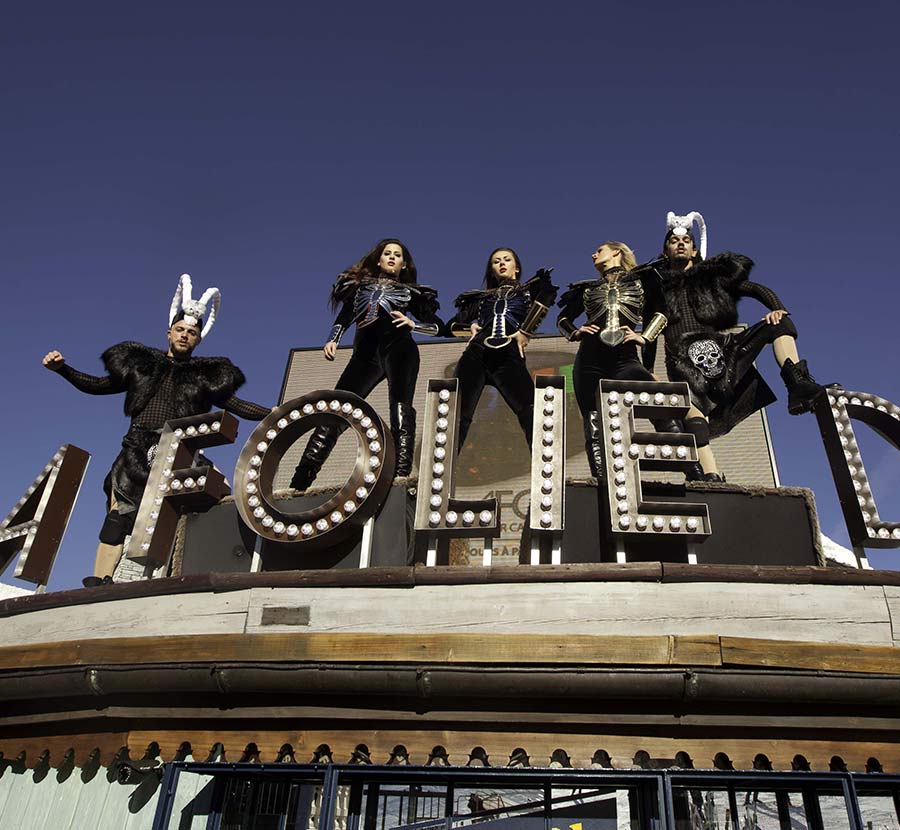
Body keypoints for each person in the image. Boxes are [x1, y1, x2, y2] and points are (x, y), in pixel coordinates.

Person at [43, 274, 270, 586]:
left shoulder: (204, 376)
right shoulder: (142, 366)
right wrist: (63, 369)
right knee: (118, 515)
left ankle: (164, 578)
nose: (185, 335)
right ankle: (99, 581)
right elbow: (98, 385)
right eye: (180, 330)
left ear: (198, 339)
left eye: (191, 332)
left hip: (179, 453)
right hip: (136, 449)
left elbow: (235, 404)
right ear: (169, 333)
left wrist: (274, 413)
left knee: (178, 518)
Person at [652, 211, 825, 481]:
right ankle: (709, 477)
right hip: (682, 360)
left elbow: (756, 289)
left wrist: (776, 309)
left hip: (721, 352)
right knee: (694, 418)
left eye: (687, 240)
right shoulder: (657, 287)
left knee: (779, 324)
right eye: (674, 241)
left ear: (695, 249)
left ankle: (798, 384)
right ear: (666, 251)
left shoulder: (711, 279)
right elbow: (651, 331)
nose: (681, 244)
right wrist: (645, 367)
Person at [289, 239, 442, 490]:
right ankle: (299, 483)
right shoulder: (360, 287)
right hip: (364, 356)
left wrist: (415, 325)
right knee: (335, 411)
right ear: (379, 259)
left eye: (397, 255)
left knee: (400, 408)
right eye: (387, 253)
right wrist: (333, 339)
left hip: (399, 349)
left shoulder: (410, 292)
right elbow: (345, 315)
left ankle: (400, 477)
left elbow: (440, 326)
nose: (392, 257)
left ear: (403, 265)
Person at [556, 240, 676, 478]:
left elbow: (662, 310)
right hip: (589, 358)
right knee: (593, 420)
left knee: (656, 402)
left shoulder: (643, 278)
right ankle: (600, 477)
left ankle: (692, 468)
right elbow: (562, 318)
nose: (593, 254)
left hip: (625, 356)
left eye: (599, 250)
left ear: (616, 252)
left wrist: (645, 336)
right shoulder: (586, 288)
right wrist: (575, 331)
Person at [446, 248, 558, 450]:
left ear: (517, 267)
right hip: (476, 354)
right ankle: (442, 470)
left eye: (507, 259)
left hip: (508, 353)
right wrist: (468, 328)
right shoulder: (481, 298)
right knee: (456, 412)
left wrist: (526, 331)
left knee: (532, 411)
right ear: (492, 271)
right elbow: (453, 325)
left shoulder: (528, 290)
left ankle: (546, 471)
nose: (501, 263)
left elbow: (547, 296)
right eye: (496, 262)